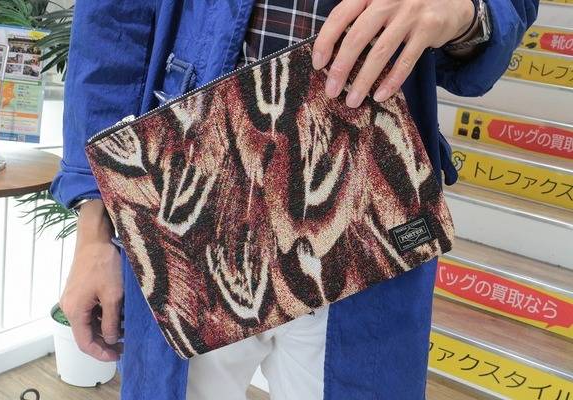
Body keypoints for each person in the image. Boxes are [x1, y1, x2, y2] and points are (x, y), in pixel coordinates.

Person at [50, 0, 538, 399]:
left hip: (363, 190)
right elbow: (112, 28)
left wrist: (466, 10)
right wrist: (94, 230)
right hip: (191, 194)